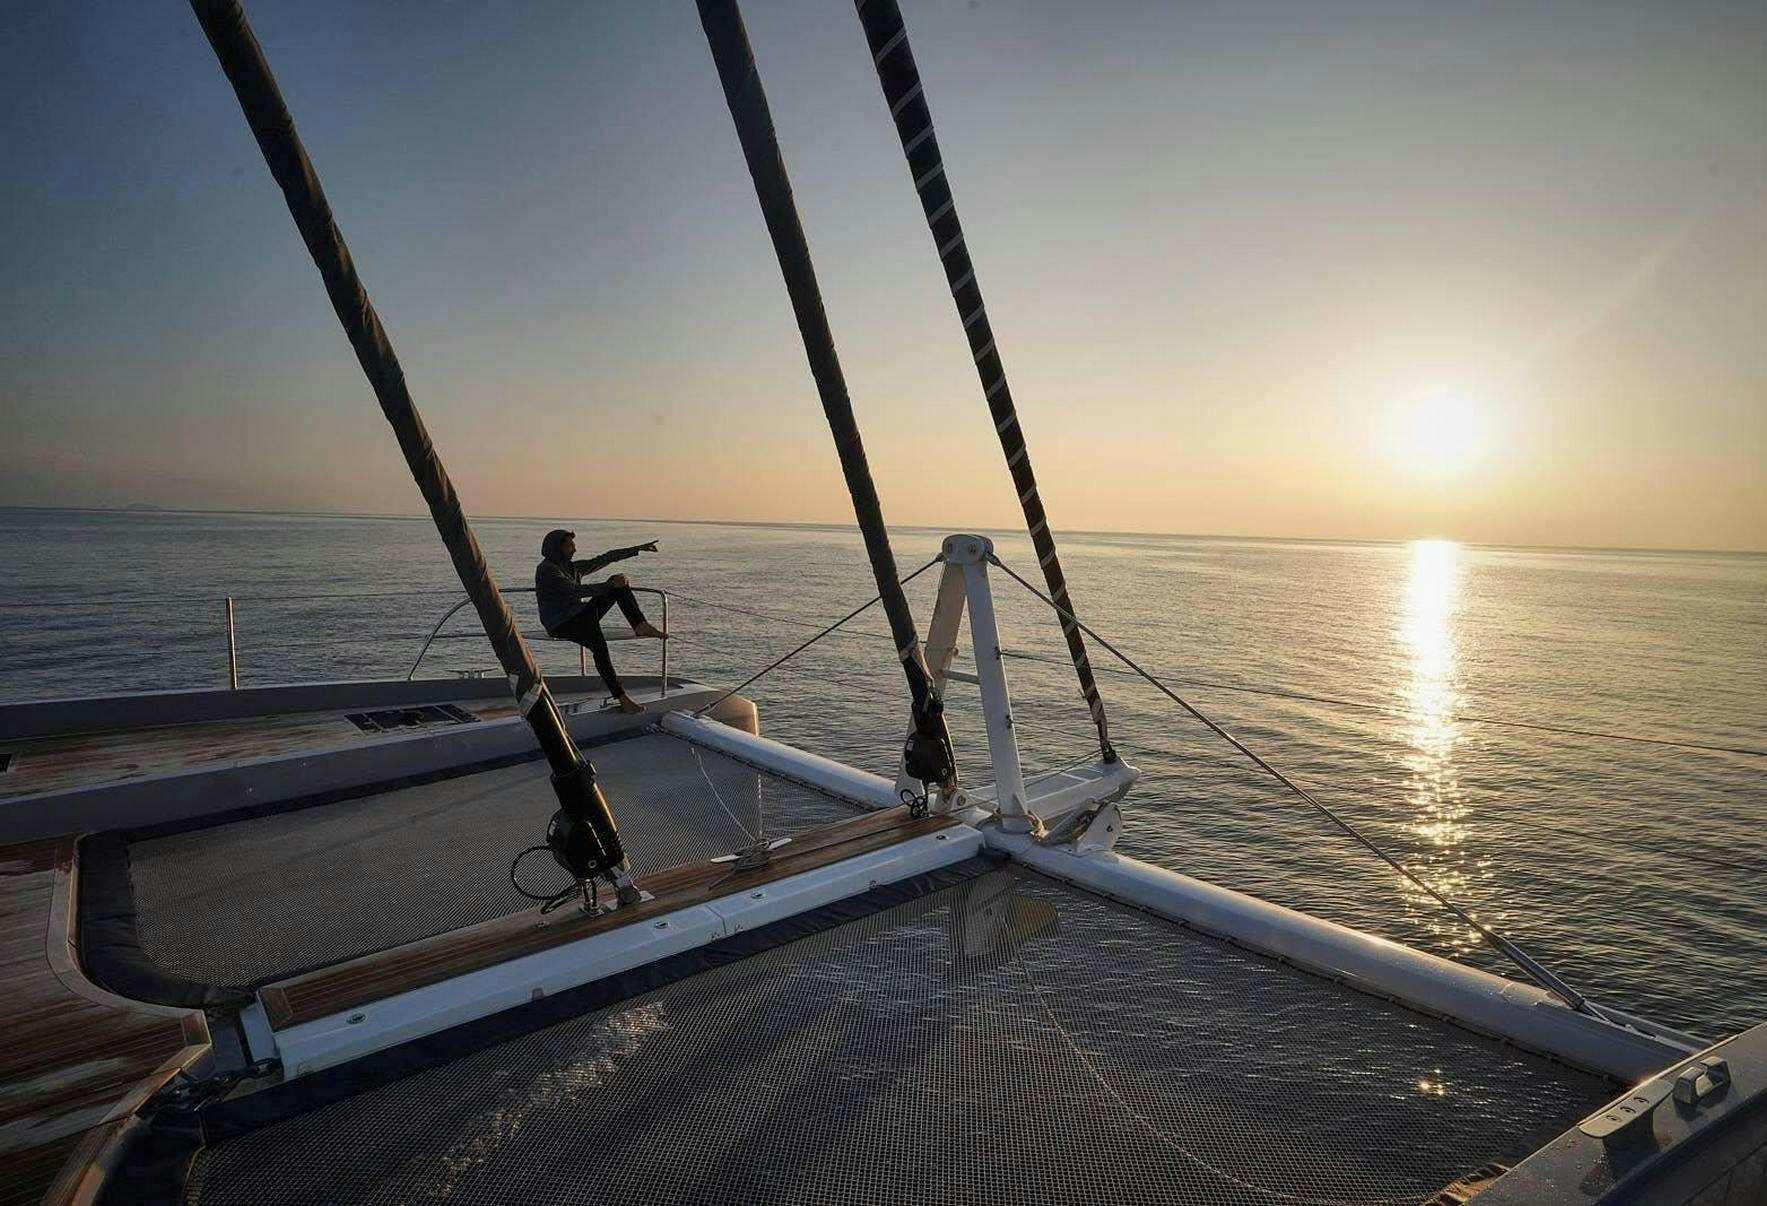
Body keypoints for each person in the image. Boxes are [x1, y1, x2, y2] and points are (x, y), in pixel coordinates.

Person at [536, 529, 666, 713]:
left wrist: (638, 548)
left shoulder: (572, 567)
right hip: (561, 624)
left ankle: (640, 625)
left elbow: (605, 558)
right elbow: (575, 591)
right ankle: (622, 698)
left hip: (579, 616)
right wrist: (610, 586)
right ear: (556, 548)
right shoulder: (547, 570)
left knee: (617, 580)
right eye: (569, 546)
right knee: (600, 646)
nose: (574, 549)